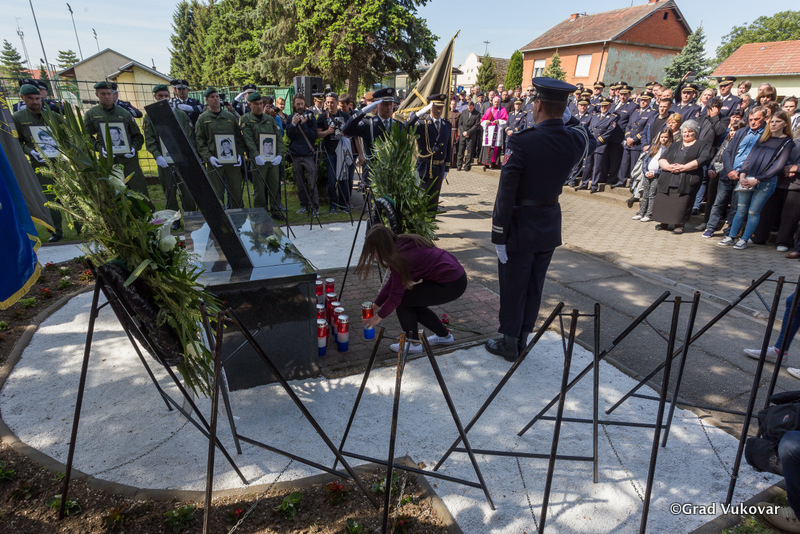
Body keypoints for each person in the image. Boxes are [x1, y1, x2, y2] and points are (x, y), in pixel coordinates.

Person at [486, 77, 596, 361]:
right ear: (564, 108)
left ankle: (509, 343)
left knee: (514, 286)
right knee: (535, 286)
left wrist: (498, 234)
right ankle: (522, 338)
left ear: (538, 105)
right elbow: (590, 139)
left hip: (520, 227)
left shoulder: (522, 141)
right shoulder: (573, 139)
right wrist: (569, 119)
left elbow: (505, 193)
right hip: (548, 225)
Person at [357, 225, 466, 353]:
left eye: (373, 251)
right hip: (455, 277)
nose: (374, 256)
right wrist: (376, 305)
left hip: (451, 283)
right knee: (412, 303)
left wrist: (377, 318)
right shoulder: (400, 243)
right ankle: (444, 337)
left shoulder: (400, 257)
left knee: (403, 301)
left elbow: (395, 298)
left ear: (380, 247)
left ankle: (413, 344)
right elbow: (393, 282)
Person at [718, 111, 794, 250]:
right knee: (741, 209)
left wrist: (758, 179)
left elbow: (778, 166)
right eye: (772, 121)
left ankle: (744, 239)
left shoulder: (787, 142)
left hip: (765, 182)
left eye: (777, 122)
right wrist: (743, 174)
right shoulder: (763, 138)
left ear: (785, 123)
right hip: (748, 177)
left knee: (754, 211)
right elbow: (749, 158)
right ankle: (731, 236)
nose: (773, 124)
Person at [703, 108, 768, 238]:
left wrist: (742, 173)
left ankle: (730, 229)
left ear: (765, 118)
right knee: (718, 202)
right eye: (751, 119)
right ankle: (711, 227)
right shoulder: (742, 132)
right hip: (728, 173)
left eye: (757, 119)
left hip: (746, 177)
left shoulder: (767, 135)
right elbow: (727, 151)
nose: (753, 122)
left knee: (736, 205)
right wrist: (729, 170)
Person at [12, 83, 65, 242]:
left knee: (71, 196)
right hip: (39, 164)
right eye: (31, 99)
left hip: (60, 162)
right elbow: (16, 142)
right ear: (22, 98)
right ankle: (55, 231)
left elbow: (66, 136)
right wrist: (31, 151)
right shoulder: (18, 118)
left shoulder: (52, 116)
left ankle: (81, 227)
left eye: (38, 98)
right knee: (49, 198)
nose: (35, 102)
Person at [142, 84, 197, 226]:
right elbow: (150, 139)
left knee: (188, 191)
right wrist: (157, 155)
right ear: (155, 97)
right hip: (165, 161)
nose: (163, 98)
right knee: (170, 192)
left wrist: (189, 155)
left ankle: (192, 219)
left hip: (183, 160)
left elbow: (189, 137)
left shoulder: (180, 114)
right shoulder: (150, 117)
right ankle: (174, 220)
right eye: (160, 96)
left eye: (166, 96)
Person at [84, 81, 149, 199]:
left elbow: (138, 136)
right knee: (111, 192)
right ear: (97, 95)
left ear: (114, 94)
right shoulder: (91, 114)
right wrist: (100, 148)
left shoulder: (124, 113)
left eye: (109, 93)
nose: (107, 97)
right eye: (103, 94)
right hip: (108, 160)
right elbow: (86, 137)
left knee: (139, 190)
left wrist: (133, 148)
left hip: (128, 160)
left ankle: (145, 209)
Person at [652, 120, 711, 234]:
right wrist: (668, 167)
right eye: (684, 132)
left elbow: (703, 159)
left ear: (695, 132)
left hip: (687, 178)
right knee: (665, 201)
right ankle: (664, 222)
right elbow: (662, 158)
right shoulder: (675, 144)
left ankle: (679, 225)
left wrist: (684, 167)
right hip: (669, 177)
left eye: (690, 132)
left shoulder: (702, 145)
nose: (686, 134)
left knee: (681, 204)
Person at [195, 87, 244, 208]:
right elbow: (200, 140)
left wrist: (239, 154)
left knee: (236, 191)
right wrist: (208, 157)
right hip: (215, 161)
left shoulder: (229, 117)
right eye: (212, 97)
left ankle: (237, 215)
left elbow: (238, 138)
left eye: (217, 96)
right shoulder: (203, 119)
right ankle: (219, 216)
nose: (216, 99)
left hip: (232, 161)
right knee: (216, 192)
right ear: (207, 100)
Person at [240, 91, 285, 220]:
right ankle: (260, 212)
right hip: (258, 160)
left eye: (261, 103)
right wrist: (256, 155)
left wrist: (280, 155)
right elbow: (248, 139)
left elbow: (278, 138)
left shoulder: (269, 119)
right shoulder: (246, 119)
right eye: (256, 104)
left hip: (272, 158)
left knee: (274, 186)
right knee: (259, 188)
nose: (259, 106)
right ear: (250, 105)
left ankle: (276, 210)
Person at [413, 93, 451, 211]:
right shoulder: (422, 124)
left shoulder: (446, 124)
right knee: (421, 200)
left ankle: (431, 220)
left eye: (441, 107)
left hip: (439, 168)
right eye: (436, 107)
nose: (439, 110)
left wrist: (446, 168)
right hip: (425, 168)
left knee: (434, 201)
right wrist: (418, 114)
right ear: (430, 107)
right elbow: (406, 126)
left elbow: (448, 147)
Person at [317, 92, 352, 213]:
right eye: (327, 102)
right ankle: (333, 205)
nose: (330, 104)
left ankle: (343, 204)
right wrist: (327, 132)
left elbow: (351, 132)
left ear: (337, 102)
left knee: (343, 178)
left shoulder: (345, 116)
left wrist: (344, 132)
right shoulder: (322, 117)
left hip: (342, 151)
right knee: (332, 180)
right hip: (329, 151)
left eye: (332, 102)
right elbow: (317, 134)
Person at [613, 91, 656, 188]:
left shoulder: (652, 113)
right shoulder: (635, 112)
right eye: (641, 100)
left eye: (645, 100)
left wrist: (634, 139)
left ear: (650, 101)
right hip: (629, 141)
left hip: (637, 143)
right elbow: (628, 125)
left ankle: (632, 183)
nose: (643, 102)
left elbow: (646, 129)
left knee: (634, 164)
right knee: (624, 163)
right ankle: (621, 180)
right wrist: (628, 137)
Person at [286, 94, 319, 216]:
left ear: (305, 104)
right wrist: (293, 124)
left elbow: (313, 136)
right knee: (300, 183)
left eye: (302, 104)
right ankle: (303, 205)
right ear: (294, 105)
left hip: (308, 154)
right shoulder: (291, 118)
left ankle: (315, 207)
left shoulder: (310, 117)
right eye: (298, 104)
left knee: (312, 182)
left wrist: (304, 124)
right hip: (296, 155)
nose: (300, 106)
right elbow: (289, 136)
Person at [633, 129, 673, 223]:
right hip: (647, 174)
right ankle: (641, 212)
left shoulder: (669, 149)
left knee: (652, 194)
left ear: (670, 138)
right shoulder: (654, 147)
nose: (663, 139)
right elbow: (645, 160)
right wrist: (645, 171)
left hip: (656, 176)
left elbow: (666, 164)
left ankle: (649, 214)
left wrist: (655, 173)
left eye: (666, 137)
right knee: (645, 194)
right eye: (662, 137)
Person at [479, 96, 508, 169]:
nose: (496, 103)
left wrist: (499, 121)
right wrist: (486, 122)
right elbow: (482, 120)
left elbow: (506, 121)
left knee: (495, 147)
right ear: (492, 102)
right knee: (487, 146)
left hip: (497, 131)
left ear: (499, 102)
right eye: (495, 102)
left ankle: (493, 163)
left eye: (498, 102)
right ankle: (486, 163)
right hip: (488, 131)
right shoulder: (489, 110)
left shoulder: (503, 110)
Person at [456, 100, 481, 171]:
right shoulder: (463, 112)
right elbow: (460, 124)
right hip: (463, 134)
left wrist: (468, 132)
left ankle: (467, 166)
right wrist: (463, 132)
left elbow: (476, 125)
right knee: (461, 151)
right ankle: (459, 165)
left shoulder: (477, 114)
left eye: (471, 108)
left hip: (471, 135)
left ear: (473, 107)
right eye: (469, 108)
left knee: (469, 152)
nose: (470, 109)